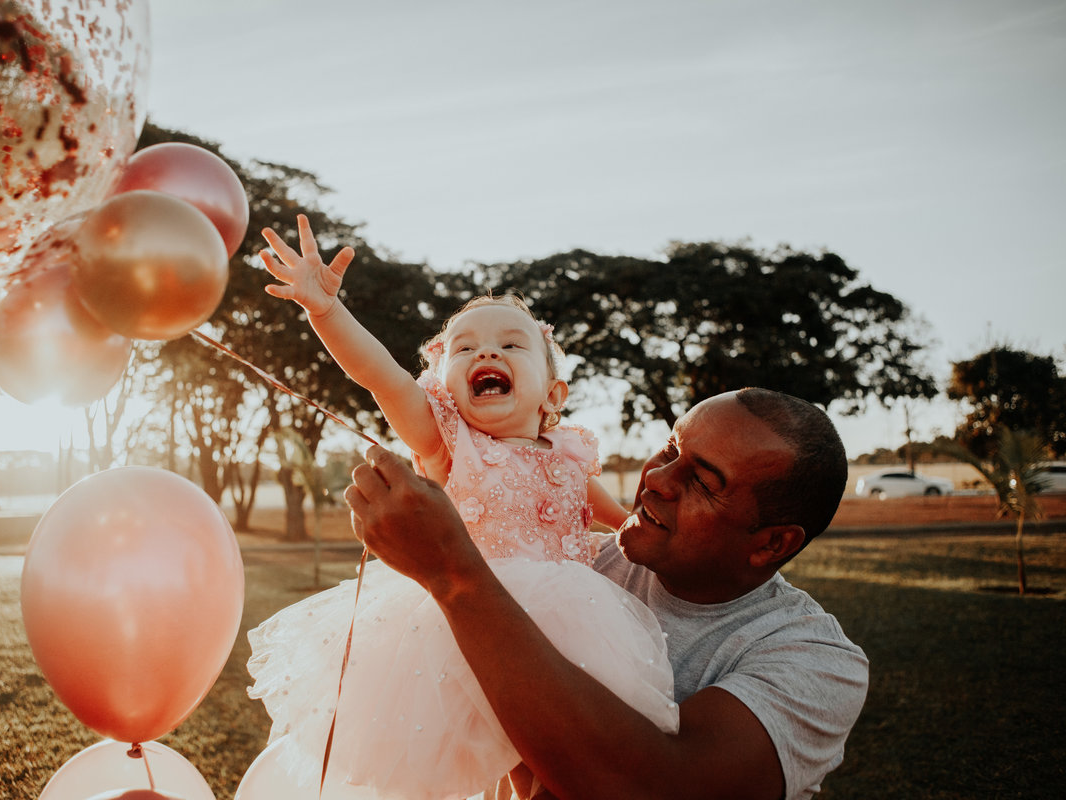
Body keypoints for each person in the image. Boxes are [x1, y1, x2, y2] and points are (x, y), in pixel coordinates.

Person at [244, 215, 679, 799]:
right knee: (478, 753)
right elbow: (382, 378)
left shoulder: (570, 453)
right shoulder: (449, 444)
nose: (485, 352)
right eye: (464, 347)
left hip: (571, 627)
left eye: (510, 344)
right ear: (444, 384)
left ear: (552, 394)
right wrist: (327, 311)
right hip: (465, 623)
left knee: (552, 757)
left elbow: (623, 524)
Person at [345, 388, 870, 800]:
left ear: (772, 544)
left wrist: (454, 575)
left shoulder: (815, 662)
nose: (657, 478)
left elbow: (650, 787)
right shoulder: (567, 563)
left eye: (704, 482)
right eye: (670, 449)